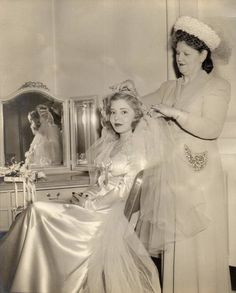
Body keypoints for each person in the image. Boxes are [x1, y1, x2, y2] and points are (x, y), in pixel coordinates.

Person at [0, 89, 161, 293]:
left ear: (136, 116)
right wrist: (88, 194)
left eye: (124, 112)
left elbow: (124, 191)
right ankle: (31, 278)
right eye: (113, 112)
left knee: (37, 211)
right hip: (96, 205)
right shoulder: (113, 144)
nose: (116, 118)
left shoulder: (138, 150)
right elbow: (103, 183)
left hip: (109, 215)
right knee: (35, 213)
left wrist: (91, 203)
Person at [120, 16, 231, 293]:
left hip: (200, 172)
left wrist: (175, 113)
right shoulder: (170, 86)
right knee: (175, 241)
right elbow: (138, 107)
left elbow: (212, 128)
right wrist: (129, 94)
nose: (179, 58)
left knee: (200, 244)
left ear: (203, 54)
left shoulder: (216, 86)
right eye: (177, 52)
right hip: (170, 174)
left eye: (186, 53)